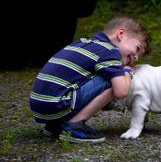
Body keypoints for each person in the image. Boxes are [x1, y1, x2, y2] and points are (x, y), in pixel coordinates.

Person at [29, 14, 151, 143]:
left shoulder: (83, 43)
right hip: (57, 104)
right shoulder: (110, 52)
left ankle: (55, 126)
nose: (136, 57)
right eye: (137, 48)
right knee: (113, 80)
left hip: (40, 106)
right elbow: (121, 91)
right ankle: (74, 126)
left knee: (99, 76)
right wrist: (126, 70)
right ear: (121, 34)